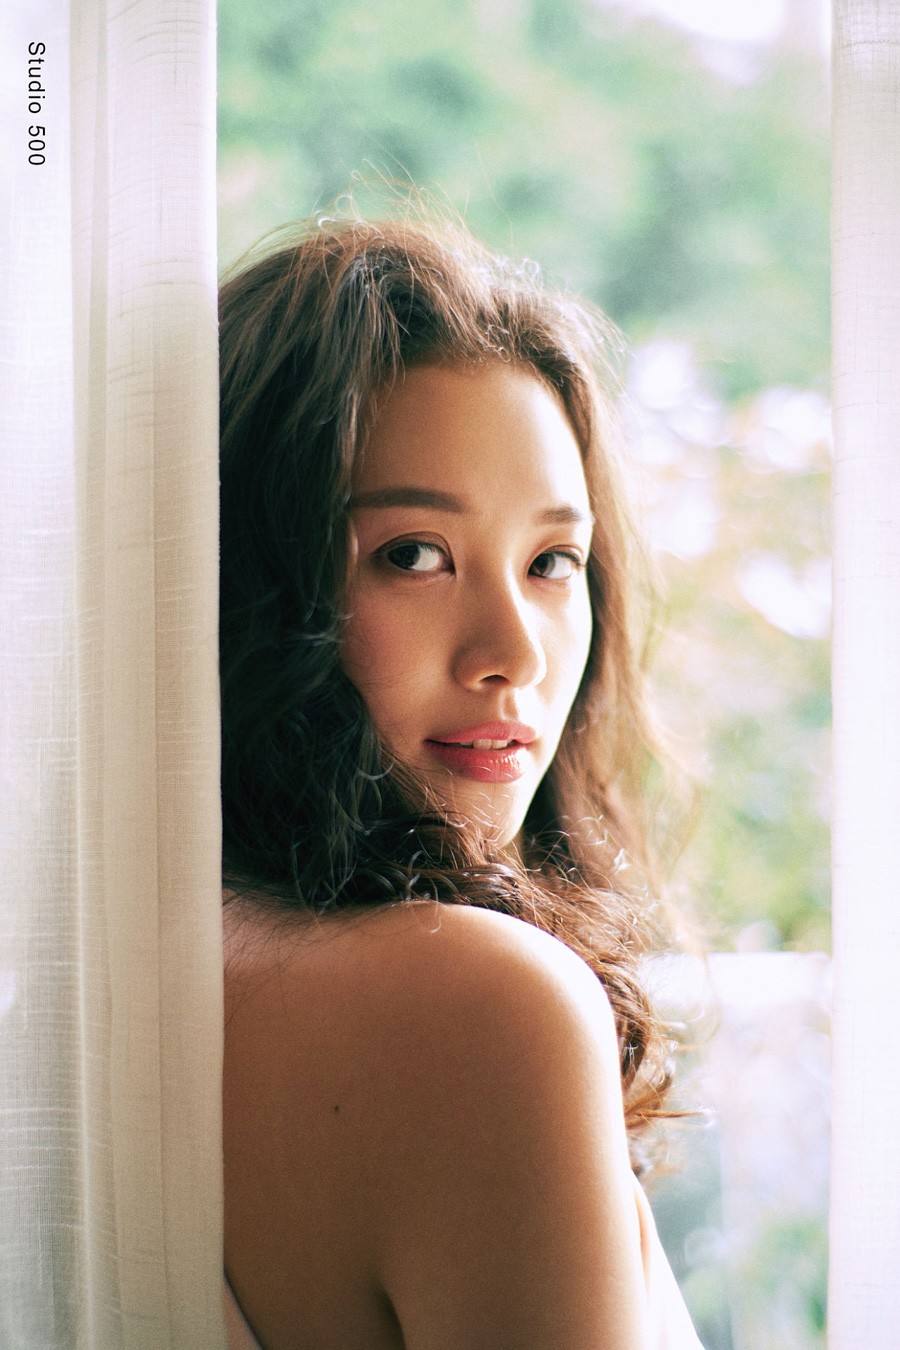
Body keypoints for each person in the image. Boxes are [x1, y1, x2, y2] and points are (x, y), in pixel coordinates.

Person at [218, 213, 703, 1349]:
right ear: (252, 579)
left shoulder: (118, 978)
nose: (516, 651)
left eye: (552, 562)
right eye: (414, 555)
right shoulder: (485, 1008)